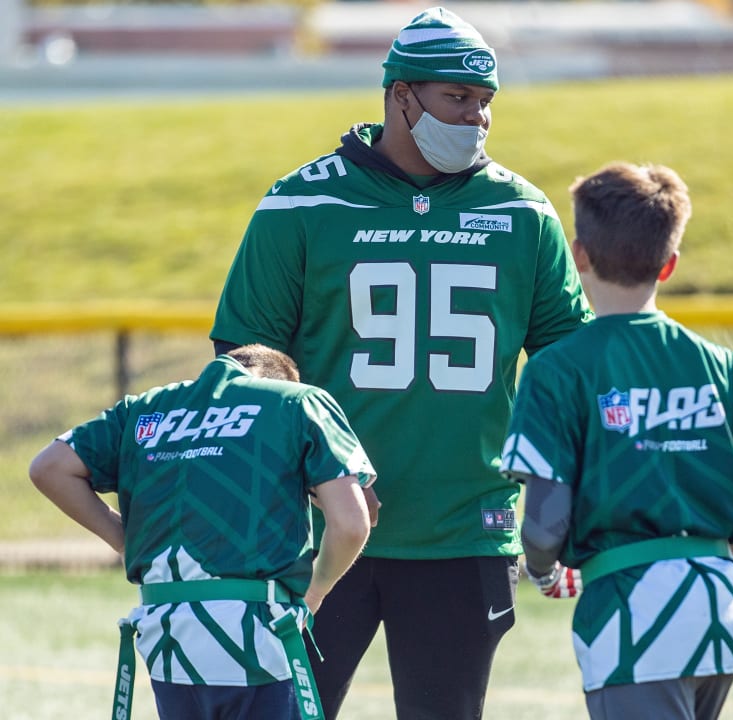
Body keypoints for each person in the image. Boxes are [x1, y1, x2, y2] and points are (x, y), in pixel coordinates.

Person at [209, 7, 593, 718]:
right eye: (458, 98)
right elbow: (246, 366)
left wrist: (562, 500)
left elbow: (568, 369)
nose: (475, 118)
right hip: (316, 530)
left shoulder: (521, 211)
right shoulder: (302, 201)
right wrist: (305, 479)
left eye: (485, 103)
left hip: (464, 527)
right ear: (400, 94)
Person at [499, 161, 733, 720]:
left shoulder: (558, 368)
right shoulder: (714, 361)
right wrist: (725, 550)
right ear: (669, 264)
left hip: (633, 613)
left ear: (579, 256)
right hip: (719, 610)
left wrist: (544, 568)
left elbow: (547, 519)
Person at [28, 344, 375, 720]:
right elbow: (353, 523)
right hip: (260, 634)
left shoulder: (143, 408)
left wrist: (125, 541)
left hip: (168, 637)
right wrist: (316, 590)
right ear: (280, 380)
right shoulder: (297, 400)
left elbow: (49, 467)